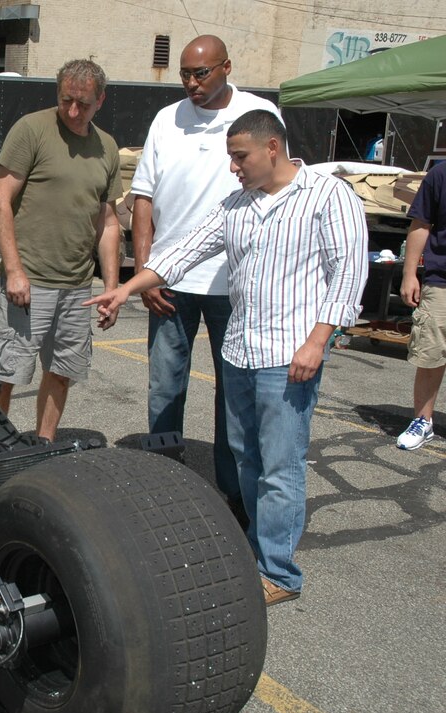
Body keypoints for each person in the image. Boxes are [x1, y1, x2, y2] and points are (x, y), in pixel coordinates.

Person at [87, 110, 367, 606]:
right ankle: (255, 546)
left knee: (281, 466)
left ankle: (278, 572)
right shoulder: (237, 205)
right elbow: (184, 252)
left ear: (272, 148)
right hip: (239, 350)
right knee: (244, 457)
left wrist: (318, 341)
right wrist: (126, 288)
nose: (233, 167)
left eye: (240, 157)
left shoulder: (328, 196)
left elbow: (347, 273)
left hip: (290, 354)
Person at [131, 35, 280, 523]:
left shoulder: (259, 116)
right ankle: (160, 480)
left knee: (233, 394)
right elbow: (144, 200)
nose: (192, 84)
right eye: (185, 75)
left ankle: (231, 492)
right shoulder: (166, 120)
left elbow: (279, 194)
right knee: (165, 388)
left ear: (227, 67)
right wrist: (145, 270)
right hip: (171, 282)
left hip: (235, 286)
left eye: (202, 74)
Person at [0, 58, 123, 442]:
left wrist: (111, 287)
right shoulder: (32, 130)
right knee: (6, 373)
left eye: (84, 104)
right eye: (66, 101)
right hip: (30, 283)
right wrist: (14, 269)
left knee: (62, 371)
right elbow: (0, 200)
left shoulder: (106, 148)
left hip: (77, 289)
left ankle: (42, 446)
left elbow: (108, 223)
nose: (73, 111)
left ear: (101, 100)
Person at [396, 160, 446, 450]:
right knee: (431, 354)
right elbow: (421, 223)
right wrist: (409, 273)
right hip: (440, 281)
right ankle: (423, 421)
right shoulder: (440, 174)